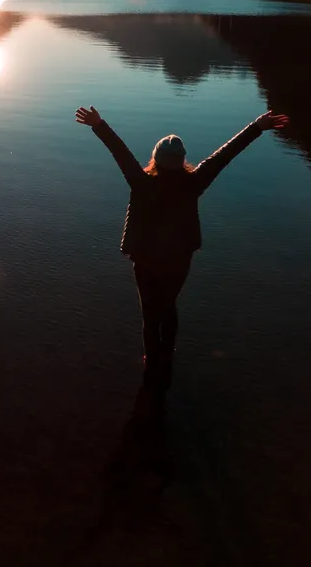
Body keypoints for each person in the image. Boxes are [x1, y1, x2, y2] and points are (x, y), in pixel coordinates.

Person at [75, 105, 289, 388]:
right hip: (178, 259)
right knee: (168, 304)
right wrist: (257, 127)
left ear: (155, 159)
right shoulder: (195, 181)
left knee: (150, 314)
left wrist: (99, 124)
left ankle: (152, 361)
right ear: (182, 160)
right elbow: (224, 156)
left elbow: (120, 152)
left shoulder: (140, 181)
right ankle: (167, 352)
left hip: (146, 259)